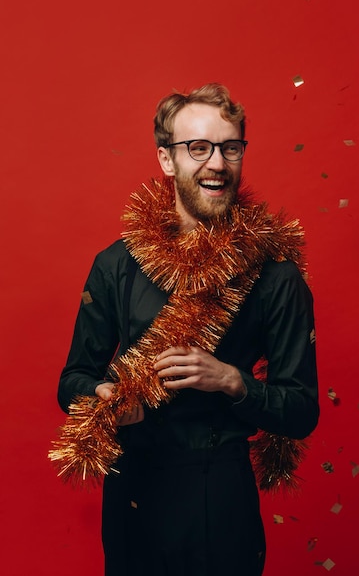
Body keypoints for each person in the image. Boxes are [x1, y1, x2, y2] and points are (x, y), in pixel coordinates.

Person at [57, 83, 319, 576]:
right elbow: (72, 379)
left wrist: (232, 381)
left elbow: (302, 411)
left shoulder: (276, 276)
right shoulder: (116, 265)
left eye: (230, 147)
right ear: (167, 160)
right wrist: (107, 395)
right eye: (198, 148)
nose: (217, 163)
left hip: (220, 493)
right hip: (133, 488)